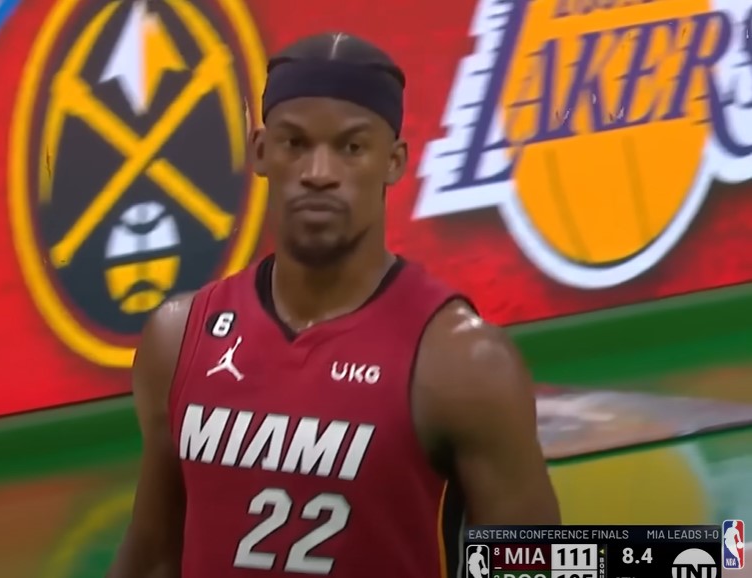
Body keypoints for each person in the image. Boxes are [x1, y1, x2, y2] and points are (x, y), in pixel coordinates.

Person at [107, 31, 559, 578]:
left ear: (393, 162)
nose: (318, 173)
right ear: (260, 151)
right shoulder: (179, 340)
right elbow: (153, 555)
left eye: (351, 148)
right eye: (295, 143)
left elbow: (532, 566)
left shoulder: (464, 364)